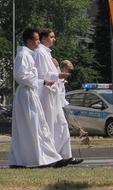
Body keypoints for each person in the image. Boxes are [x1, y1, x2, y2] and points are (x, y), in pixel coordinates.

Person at [9, 28, 68, 169]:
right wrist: (42, 82)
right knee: (34, 125)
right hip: (26, 93)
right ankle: (33, 158)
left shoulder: (28, 55)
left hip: (30, 92)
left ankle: (46, 157)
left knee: (38, 125)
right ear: (29, 41)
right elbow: (20, 75)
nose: (38, 42)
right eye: (36, 39)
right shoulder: (23, 55)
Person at [34, 28, 81, 165]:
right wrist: (57, 74)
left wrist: (57, 69)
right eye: (51, 37)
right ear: (43, 38)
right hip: (46, 93)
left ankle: (65, 155)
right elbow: (43, 74)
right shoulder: (40, 53)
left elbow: (52, 72)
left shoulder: (47, 54)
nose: (54, 39)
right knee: (49, 124)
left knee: (61, 123)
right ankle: (52, 156)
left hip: (54, 94)